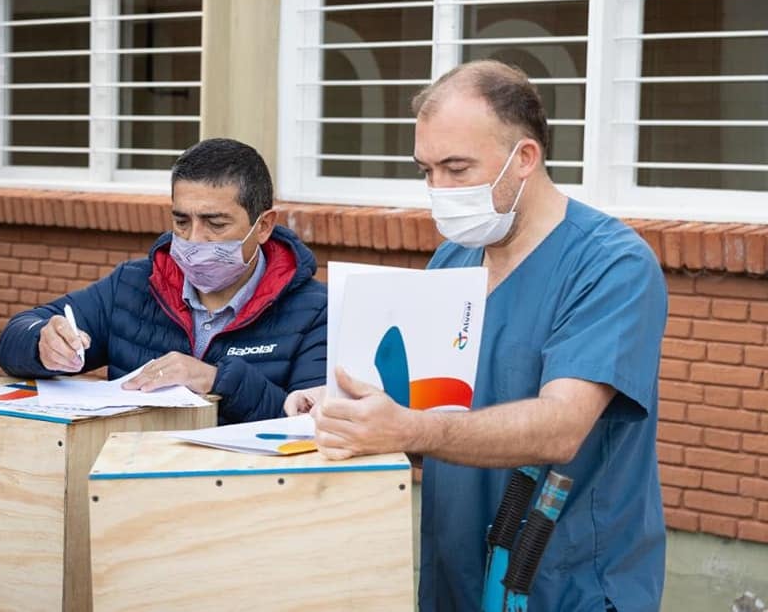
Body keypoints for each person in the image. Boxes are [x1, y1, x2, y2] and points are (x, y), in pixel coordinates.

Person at [285, 60, 667, 611]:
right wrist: (349, 405)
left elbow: (561, 429)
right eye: (426, 171)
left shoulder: (611, 267)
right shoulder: (452, 260)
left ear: (525, 158)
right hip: (456, 575)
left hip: (565, 585)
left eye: (457, 168)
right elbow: (431, 409)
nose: (438, 190)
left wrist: (407, 427)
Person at [0, 138, 327, 424]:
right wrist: (41, 343)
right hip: (129, 478)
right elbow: (15, 337)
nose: (195, 239)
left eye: (215, 223)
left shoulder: (314, 312)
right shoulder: (133, 285)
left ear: (264, 226)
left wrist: (216, 380)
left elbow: (308, 424)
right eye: (181, 221)